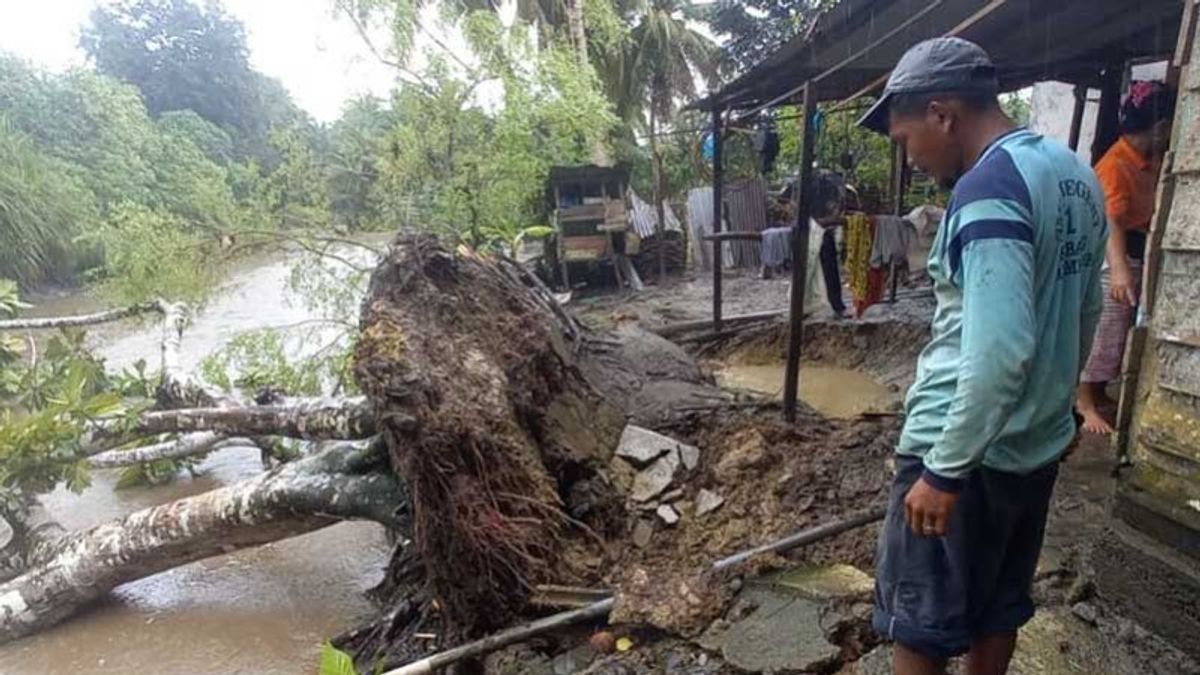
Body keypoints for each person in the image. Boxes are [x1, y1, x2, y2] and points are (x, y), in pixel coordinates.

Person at [857, 37, 1106, 674]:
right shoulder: (1075, 175)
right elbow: (1084, 310)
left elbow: (998, 349)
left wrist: (943, 471)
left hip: (963, 450)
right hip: (1034, 446)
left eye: (906, 139)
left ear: (942, 113)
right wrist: (1063, 408)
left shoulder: (988, 187)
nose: (909, 159)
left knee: (921, 623)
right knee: (999, 604)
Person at [1076, 81, 1176, 434]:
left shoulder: (1146, 162)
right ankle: (1084, 402)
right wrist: (1119, 269)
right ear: (1162, 127)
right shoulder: (1116, 163)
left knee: (1118, 332)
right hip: (1110, 255)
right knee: (1103, 329)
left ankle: (1099, 393)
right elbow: (1110, 220)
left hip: (1132, 252)